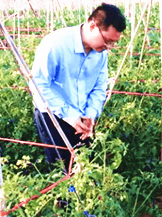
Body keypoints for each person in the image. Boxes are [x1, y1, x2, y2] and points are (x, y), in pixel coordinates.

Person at [31, 3, 126, 168]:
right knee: (60, 168)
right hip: (53, 115)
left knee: (83, 166)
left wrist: (91, 115)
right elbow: (38, 86)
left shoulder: (100, 53)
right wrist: (70, 116)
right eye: (107, 41)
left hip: (82, 117)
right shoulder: (55, 44)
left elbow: (99, 87)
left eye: (113, 43)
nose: (109, 47)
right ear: (92, 26)